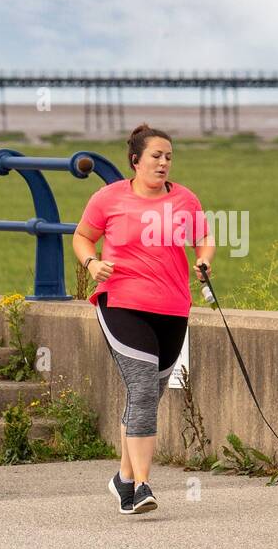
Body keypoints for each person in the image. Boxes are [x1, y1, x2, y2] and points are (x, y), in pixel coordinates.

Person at [73, 123, 214, 515]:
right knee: (142, 390)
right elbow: (82, 236)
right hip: (121, 303)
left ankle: (121, 477)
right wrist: (92, 262)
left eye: (169, 156)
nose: (164, 162)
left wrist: (203, 260)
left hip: (172, 308)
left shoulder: (185, 200)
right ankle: (140, 486)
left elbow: (204, 238)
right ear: (135, 160)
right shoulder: (107, 198)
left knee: (147, 393)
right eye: (156, 156)